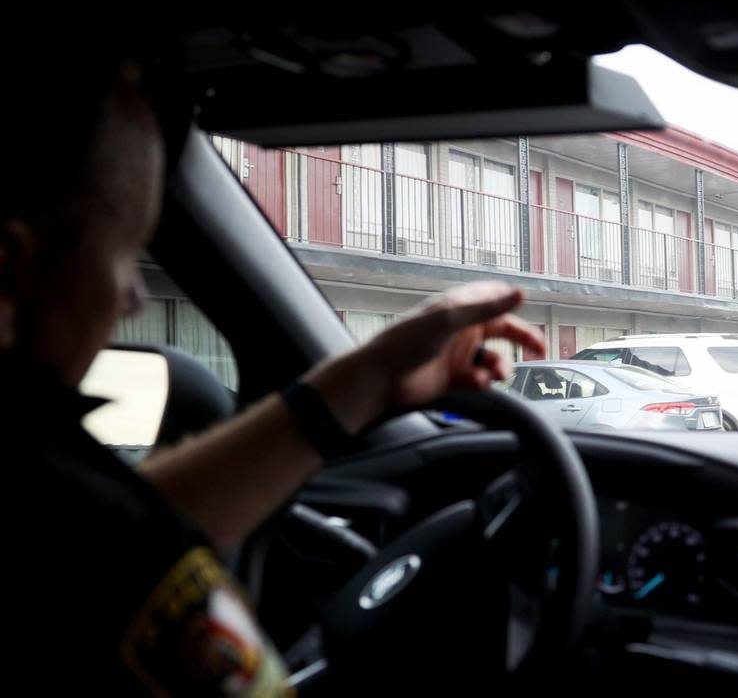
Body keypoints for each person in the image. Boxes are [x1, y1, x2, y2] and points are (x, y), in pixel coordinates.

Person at [6, 58, 544, 695]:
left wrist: (368, 377)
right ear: (11, 271)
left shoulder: (49, 506)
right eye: (126, 257)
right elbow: (123, 557)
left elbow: (106, 547)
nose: (133, 300)